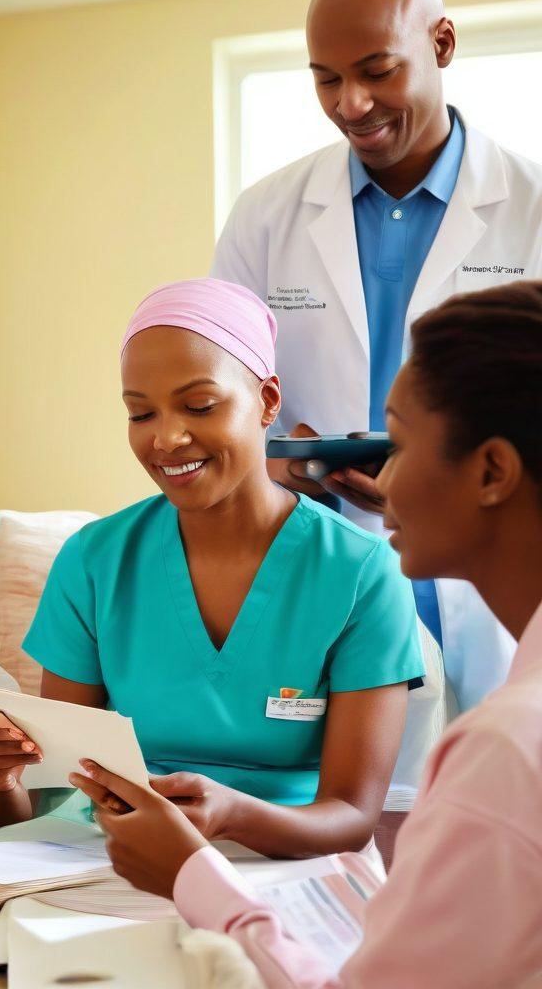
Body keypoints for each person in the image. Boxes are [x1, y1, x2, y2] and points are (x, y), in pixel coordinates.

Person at [80, 281, 542, 988]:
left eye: (401, 442)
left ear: (491, 471)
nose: (371, 477)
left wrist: (194, 877)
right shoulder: (100, 557)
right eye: (141, 412)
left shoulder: (506, 750)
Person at [0, 278, 424, 858]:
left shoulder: (360, 573)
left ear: (268, 400)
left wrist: (232, 817)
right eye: (140, 413)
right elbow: (29, 806)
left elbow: (352, 818)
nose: (167, 438)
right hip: (111, 859)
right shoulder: (95, 561)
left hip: (285, 866)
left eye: (199, 406)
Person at [211, 0, 542, 712]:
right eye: (325, 79)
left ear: (443, 44)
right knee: (345, 813)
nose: (350, 105)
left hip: (497, 595)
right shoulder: (267, 216)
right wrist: (279, 463)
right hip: (328, 570)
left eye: (377, 72)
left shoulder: (532, 207)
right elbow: (224, 397)